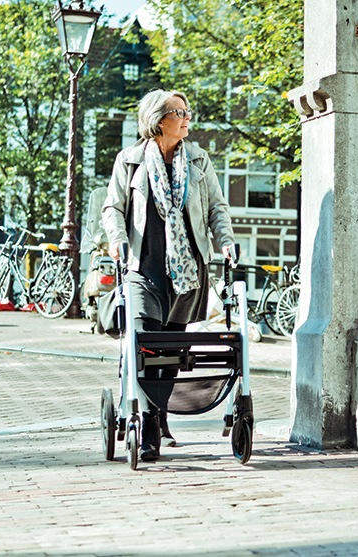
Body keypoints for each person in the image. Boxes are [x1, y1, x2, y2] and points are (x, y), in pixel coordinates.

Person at [101, 89, 236, 462]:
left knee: (171, 352)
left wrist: (225, 243)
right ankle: (146, 426)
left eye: (187, 111)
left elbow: (216, 209)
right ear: (160, 120)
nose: (188, 117)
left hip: (186, 273)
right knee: (146, 346)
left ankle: (158, 416)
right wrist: (115, 240)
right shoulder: (129, 162)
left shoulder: (199, 160)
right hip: (143, 270)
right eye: (180, 112)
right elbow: (113, 207)